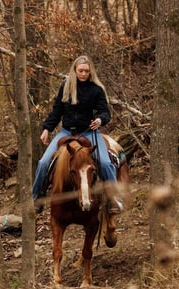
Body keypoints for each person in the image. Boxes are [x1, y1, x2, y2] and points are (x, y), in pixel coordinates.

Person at [32, 54, 123, 214]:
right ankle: (36, 198)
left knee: (106, 163)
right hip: (66, 132)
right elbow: (57, 111)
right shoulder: (66, 86)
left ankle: (114, 199)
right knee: (43, 162)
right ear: (74, 70)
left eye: (86, 71)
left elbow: (104, 112)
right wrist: (47, 128)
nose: (83, 74)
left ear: (90, 72)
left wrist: (100, 121)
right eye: (80, 70)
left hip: (88, 132)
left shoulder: (96, 89)